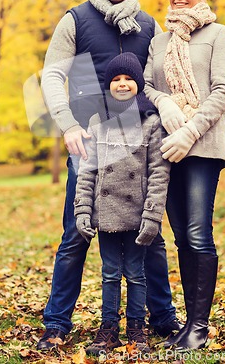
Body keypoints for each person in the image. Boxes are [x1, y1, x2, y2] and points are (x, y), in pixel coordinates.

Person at [38, 0, 180, 350]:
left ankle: (163, 317)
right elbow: (52, 75)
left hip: (139, 143)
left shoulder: (148, 25)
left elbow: (158, 82)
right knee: (75, 231)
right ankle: (57, 322)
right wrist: (66, 124)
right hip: (89, 142)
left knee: (150, 233)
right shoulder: (77, 19)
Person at [144, 0, 225, 350]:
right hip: (167, 150)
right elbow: (147, 85)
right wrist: (163, 102)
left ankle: (199, 327)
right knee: (181, 237)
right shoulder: (159, 42)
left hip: (202, 147)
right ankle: (187, 325)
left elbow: (222, 90)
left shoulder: (219, 34)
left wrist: (189, 131)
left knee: (198, 234)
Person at [74, 52, 170, 356]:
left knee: (137, 273)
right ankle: (109, 330)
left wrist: (153, 216)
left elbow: (158, 172)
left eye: (129, 78)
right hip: (106, 215)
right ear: (108, 85)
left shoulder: (151, 121)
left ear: (139, 84)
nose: (123, 84)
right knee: (110, 272)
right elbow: (87, 170)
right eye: (116, 79)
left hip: (138, 212)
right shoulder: (97, 122)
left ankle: (136, 329)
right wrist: (82, 210)